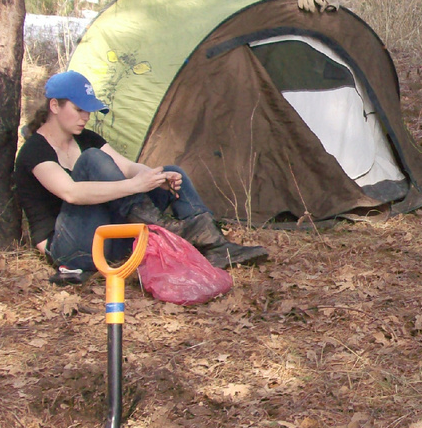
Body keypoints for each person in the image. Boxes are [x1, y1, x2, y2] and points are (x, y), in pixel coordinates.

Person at [14, 70, 268, 278]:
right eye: (79, 110)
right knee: (92, 159)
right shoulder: (34, 150)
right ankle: (165, 230)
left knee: (171, 171)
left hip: (108, 240)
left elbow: (126, 167)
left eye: (88, 111)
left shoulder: (86, 138)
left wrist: (155, 177)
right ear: (55, 106)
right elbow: (71, 193)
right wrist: (136, 186)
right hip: (70, 251)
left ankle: (216, 247)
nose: (85, 118)